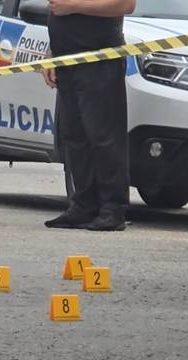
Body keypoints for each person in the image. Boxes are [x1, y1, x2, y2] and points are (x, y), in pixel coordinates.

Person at [42, 0, 136, 231]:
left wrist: (73, 6)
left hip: (99, 58)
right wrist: (52, 53)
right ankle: (84, 205)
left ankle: (112, 209)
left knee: (104, 136)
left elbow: (125, 5)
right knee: (74, 135)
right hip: (66, 57)